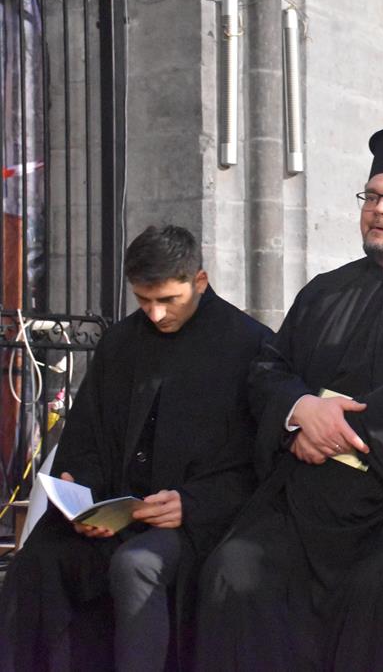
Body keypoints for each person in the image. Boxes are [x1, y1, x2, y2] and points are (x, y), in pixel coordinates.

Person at [195, 127, 383, 671]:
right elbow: (269, 367)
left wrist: (333, 430)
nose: (379, 210)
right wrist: (300, 411)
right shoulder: (324, 291)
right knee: (232, 570)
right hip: (306, 496)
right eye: (372, 197)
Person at [0, 225, 271, 672]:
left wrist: (192, 505)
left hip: (199, 525)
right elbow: (87, 437)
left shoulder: (249, 345)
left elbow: (258, 461)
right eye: (144, 300)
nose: (156, 314)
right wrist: (83, 500)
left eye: (169, 299)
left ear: (200, 281)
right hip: (114, 519)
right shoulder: (121, 342)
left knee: (136, 566)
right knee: (39, 562)